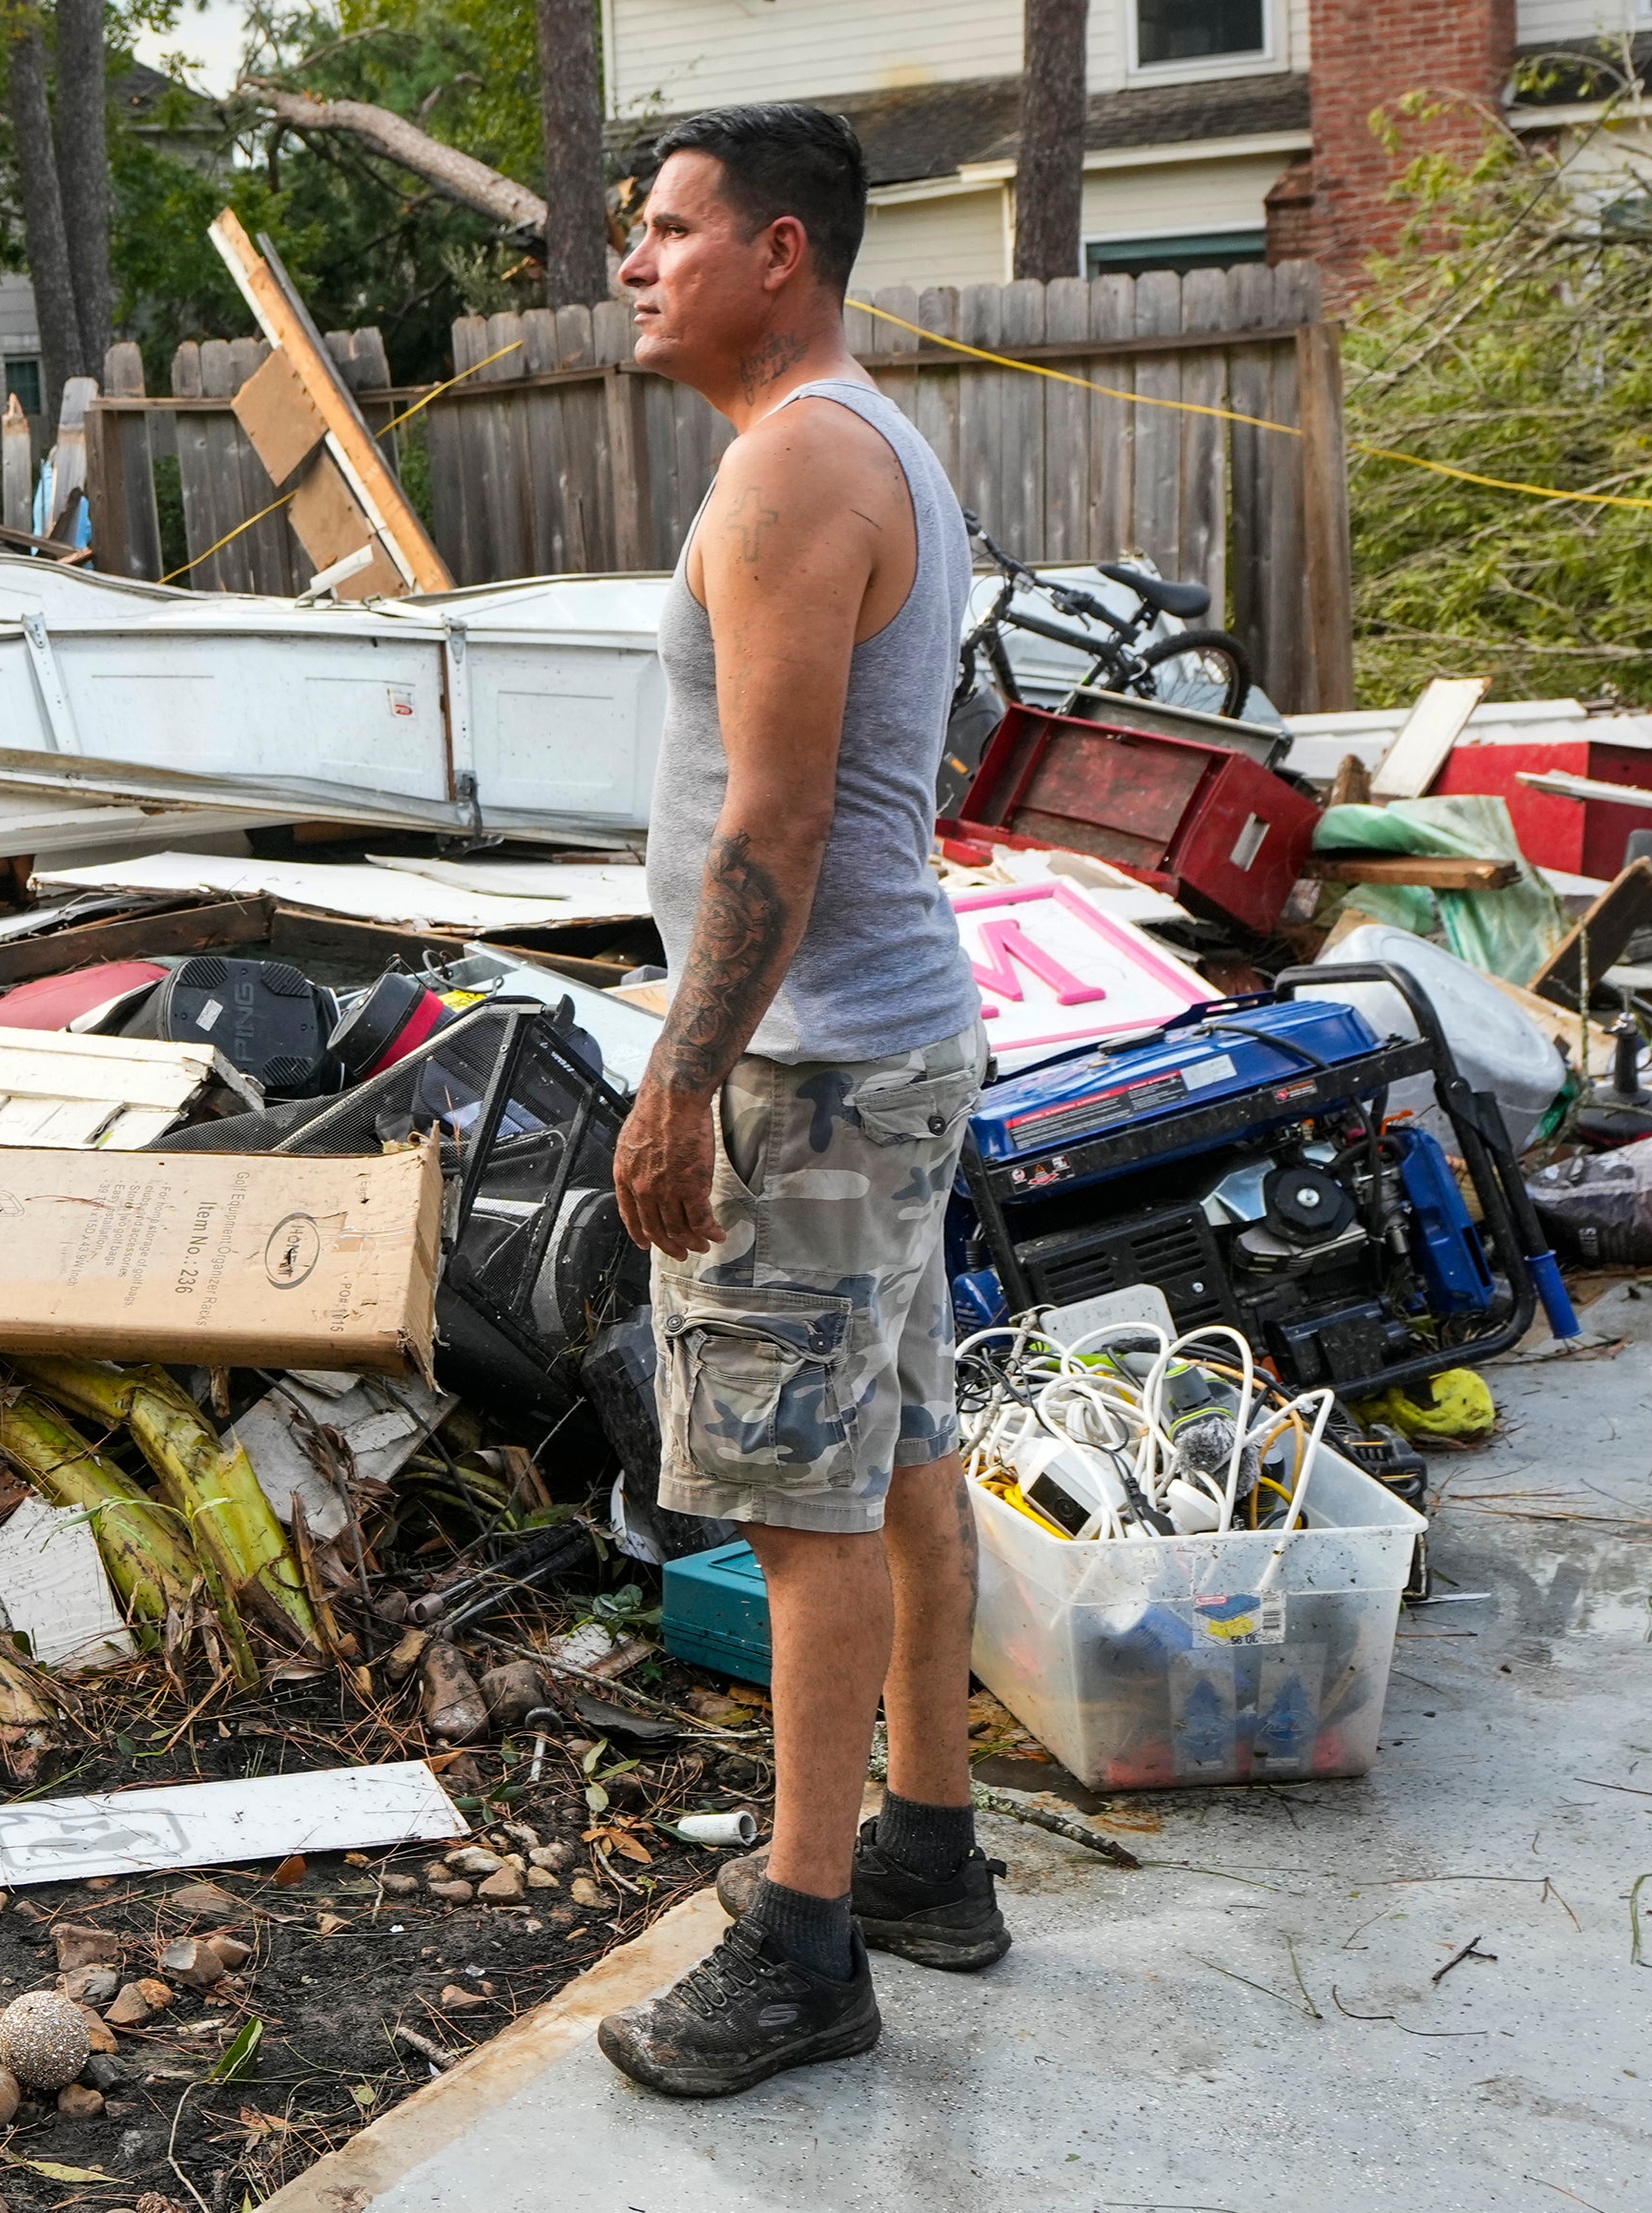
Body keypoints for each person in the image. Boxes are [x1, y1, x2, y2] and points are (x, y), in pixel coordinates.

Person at [589, 103, 1005, 2099]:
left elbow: (771, 826)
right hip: (886, 1039)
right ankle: (930, 1843)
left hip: (808, 1065)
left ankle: (806, 1939)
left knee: (791, 1502)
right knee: (903, 1445)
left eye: (663, 228)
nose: (629, 261)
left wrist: (680, 1088)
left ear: (777, 249)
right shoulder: (871, 438)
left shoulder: (791, 469)